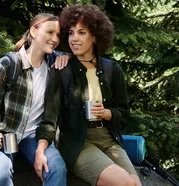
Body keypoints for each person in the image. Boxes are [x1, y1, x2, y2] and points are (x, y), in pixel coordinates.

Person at [38, 4, 142, 186]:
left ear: (95, 37)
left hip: (108, 140)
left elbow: (124, 113)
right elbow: (50, 118)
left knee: (136, 184)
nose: (74, 39)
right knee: (125, 184)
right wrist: (40, 150)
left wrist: (107, 113)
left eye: (81, 33)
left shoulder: (112, 70)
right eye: (70, 33)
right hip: (78, 143)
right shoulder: (62, 69)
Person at [0, 13, 69, 186]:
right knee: (0, 170)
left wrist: (68, 56)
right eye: (50, 32)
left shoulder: (54, 65)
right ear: (33, 31)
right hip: (3, 134)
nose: (55, 39)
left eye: (58, 35)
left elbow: (85, 57)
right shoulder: (7, 64)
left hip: (34, 136)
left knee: (56, 168)